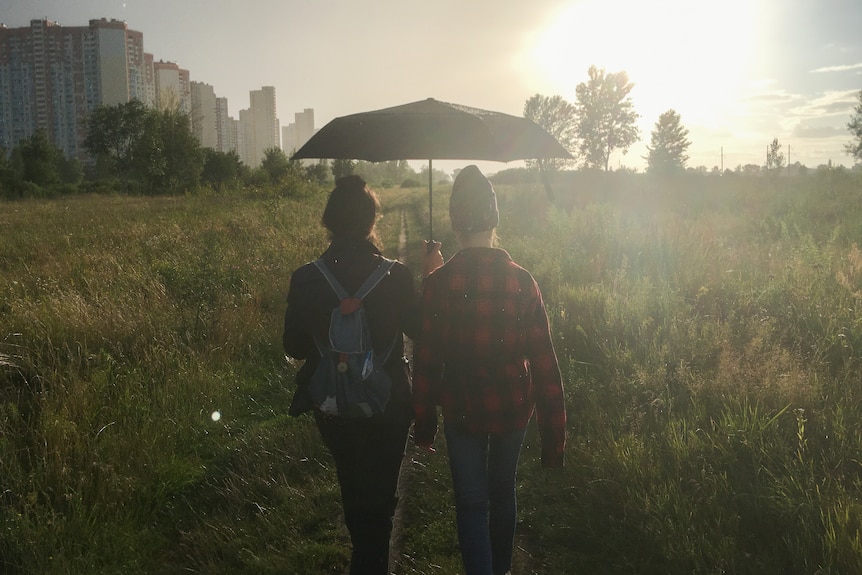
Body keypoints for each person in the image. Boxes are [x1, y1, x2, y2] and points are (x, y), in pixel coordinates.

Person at [412, 165, 567, 575]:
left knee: (471, 503)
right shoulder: (523, 282)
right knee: (502, 493)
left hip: (461, 411)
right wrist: (554, 440)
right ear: (494, 219)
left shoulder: (438, 283)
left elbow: (426, 362)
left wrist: (424, 424)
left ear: (454, 221)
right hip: (514, 407)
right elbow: (546, 365)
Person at [283, 175, 417, 575]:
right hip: (389, 403)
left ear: (328, 221)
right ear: (372, 220)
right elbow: (422, 332)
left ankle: (364, 553)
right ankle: (372, 557)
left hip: (334, 404)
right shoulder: (398, 276)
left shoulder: (306, 277)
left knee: (353, 488)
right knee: (382, 495)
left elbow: (294, 348)